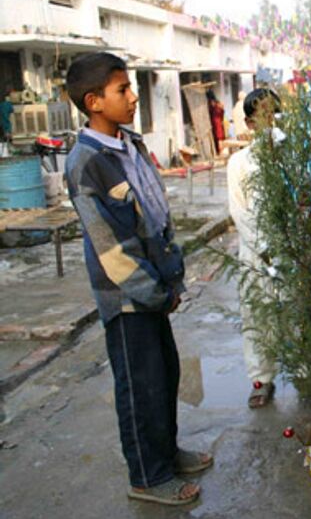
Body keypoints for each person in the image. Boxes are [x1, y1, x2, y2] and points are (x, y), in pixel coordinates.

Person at [64, 53, 212, 506]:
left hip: (157, 288)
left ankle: (165, 453)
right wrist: (152, 291)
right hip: (128, 299)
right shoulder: (85, 163)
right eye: (122, 90)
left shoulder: (130, 145)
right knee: (139, 386)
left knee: (164, 375)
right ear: (93, 102)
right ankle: (147, 476)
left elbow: (154, 211)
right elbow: (112, 248)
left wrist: (171, 281)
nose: (132, 98)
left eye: (130, 88)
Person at [227, 88, 281, 408]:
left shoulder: (292, 155)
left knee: (294, 316)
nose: (269, 120)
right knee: (258, 317)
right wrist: (265, 247)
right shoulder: (239, 163)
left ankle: (304, 371)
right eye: (261, 114)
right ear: (249, 123)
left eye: (273, 112)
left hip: (292, 252)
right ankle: (262, 379)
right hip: (256, 253)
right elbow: (239, 211)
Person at [206, 89, 225, 154]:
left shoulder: (214, 105)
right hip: (217, 123)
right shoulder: (218, 104)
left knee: (219, 138)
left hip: (216, 123)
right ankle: (219, 152)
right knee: (219, 138)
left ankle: (220, 152)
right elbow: (222, 112)